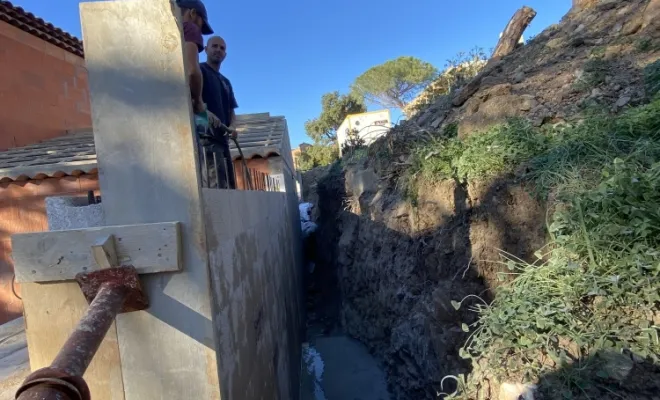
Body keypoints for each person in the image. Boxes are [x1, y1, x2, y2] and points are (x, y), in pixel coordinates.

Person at [200, 36, 239, 189]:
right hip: (206, 138)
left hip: (223, 142)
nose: (218, 50)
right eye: (214, 46)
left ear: (225, 55)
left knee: (230, 187)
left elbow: (231, 111)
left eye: (222, 48)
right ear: (206, 49)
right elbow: (192, 100)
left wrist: (234, 126)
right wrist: (205, 112)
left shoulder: (226, 82)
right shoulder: (199, 71)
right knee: (217, 187)